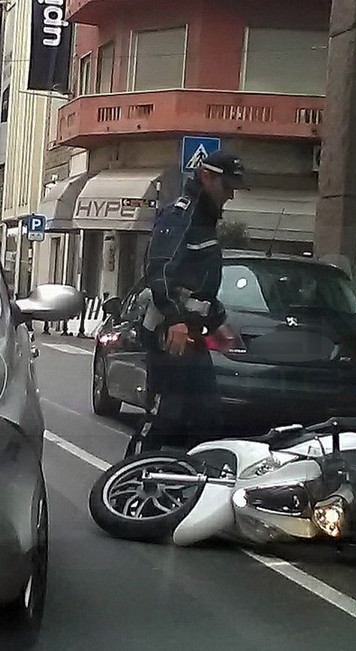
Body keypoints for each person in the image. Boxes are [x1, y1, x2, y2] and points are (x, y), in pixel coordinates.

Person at [125, 151, 245, 457]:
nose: (230, 195)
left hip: (193, 333)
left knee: (206, 416)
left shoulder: (203, 220)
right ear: (207, 177)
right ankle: (130, 479)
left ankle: (189, 486)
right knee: (165, 414)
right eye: (226, 186)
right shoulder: (181, 215)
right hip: (170, 332)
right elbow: (160, 269)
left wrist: (218, 321)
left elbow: (198, 288)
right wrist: (174, 319)